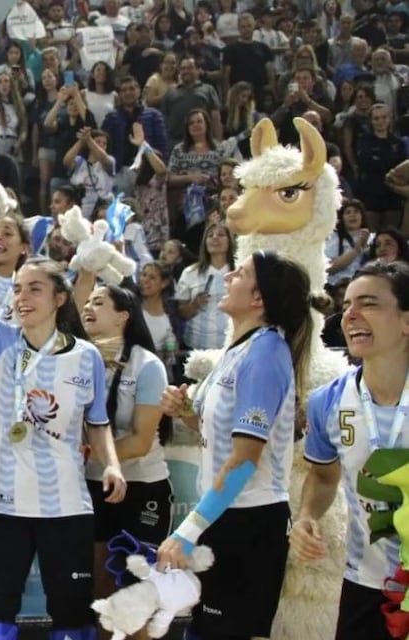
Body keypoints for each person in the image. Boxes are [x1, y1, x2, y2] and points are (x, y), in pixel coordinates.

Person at [0, 204, 126, 640]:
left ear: (60, 298)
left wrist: (111, 464)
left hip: (67, 508)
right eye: (17, 289)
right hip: (4, 507)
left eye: (34, 289)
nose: (21, 297)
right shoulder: (0, 339)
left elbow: (97, 423)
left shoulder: (86, 355)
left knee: (73, 619)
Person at [158, 251, 315, 640]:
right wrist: (185, 414)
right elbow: (224, 438)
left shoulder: (265, 352)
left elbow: (244, 463)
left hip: (249, 521)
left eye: (240, 273)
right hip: (226, 516)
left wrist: (186, 530)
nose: (228, 276)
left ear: (259, 298)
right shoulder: (241, 349)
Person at [291, 260, 409, 639]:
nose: (351, 315)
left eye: (370, 304)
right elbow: (324, 475)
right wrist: (308, 515)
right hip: (365, 585)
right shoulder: (327, 402)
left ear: (406, 321)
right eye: (347, 305)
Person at [81, 284, 172, 605]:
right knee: (99, 588)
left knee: (136, 593)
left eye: (99, 302)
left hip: (140, 486)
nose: (88, 307)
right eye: (87, 302)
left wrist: (84, 454)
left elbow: (140, 442)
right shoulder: (77, 360)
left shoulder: (147, 366)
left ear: (123, 316)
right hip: (92, 485)